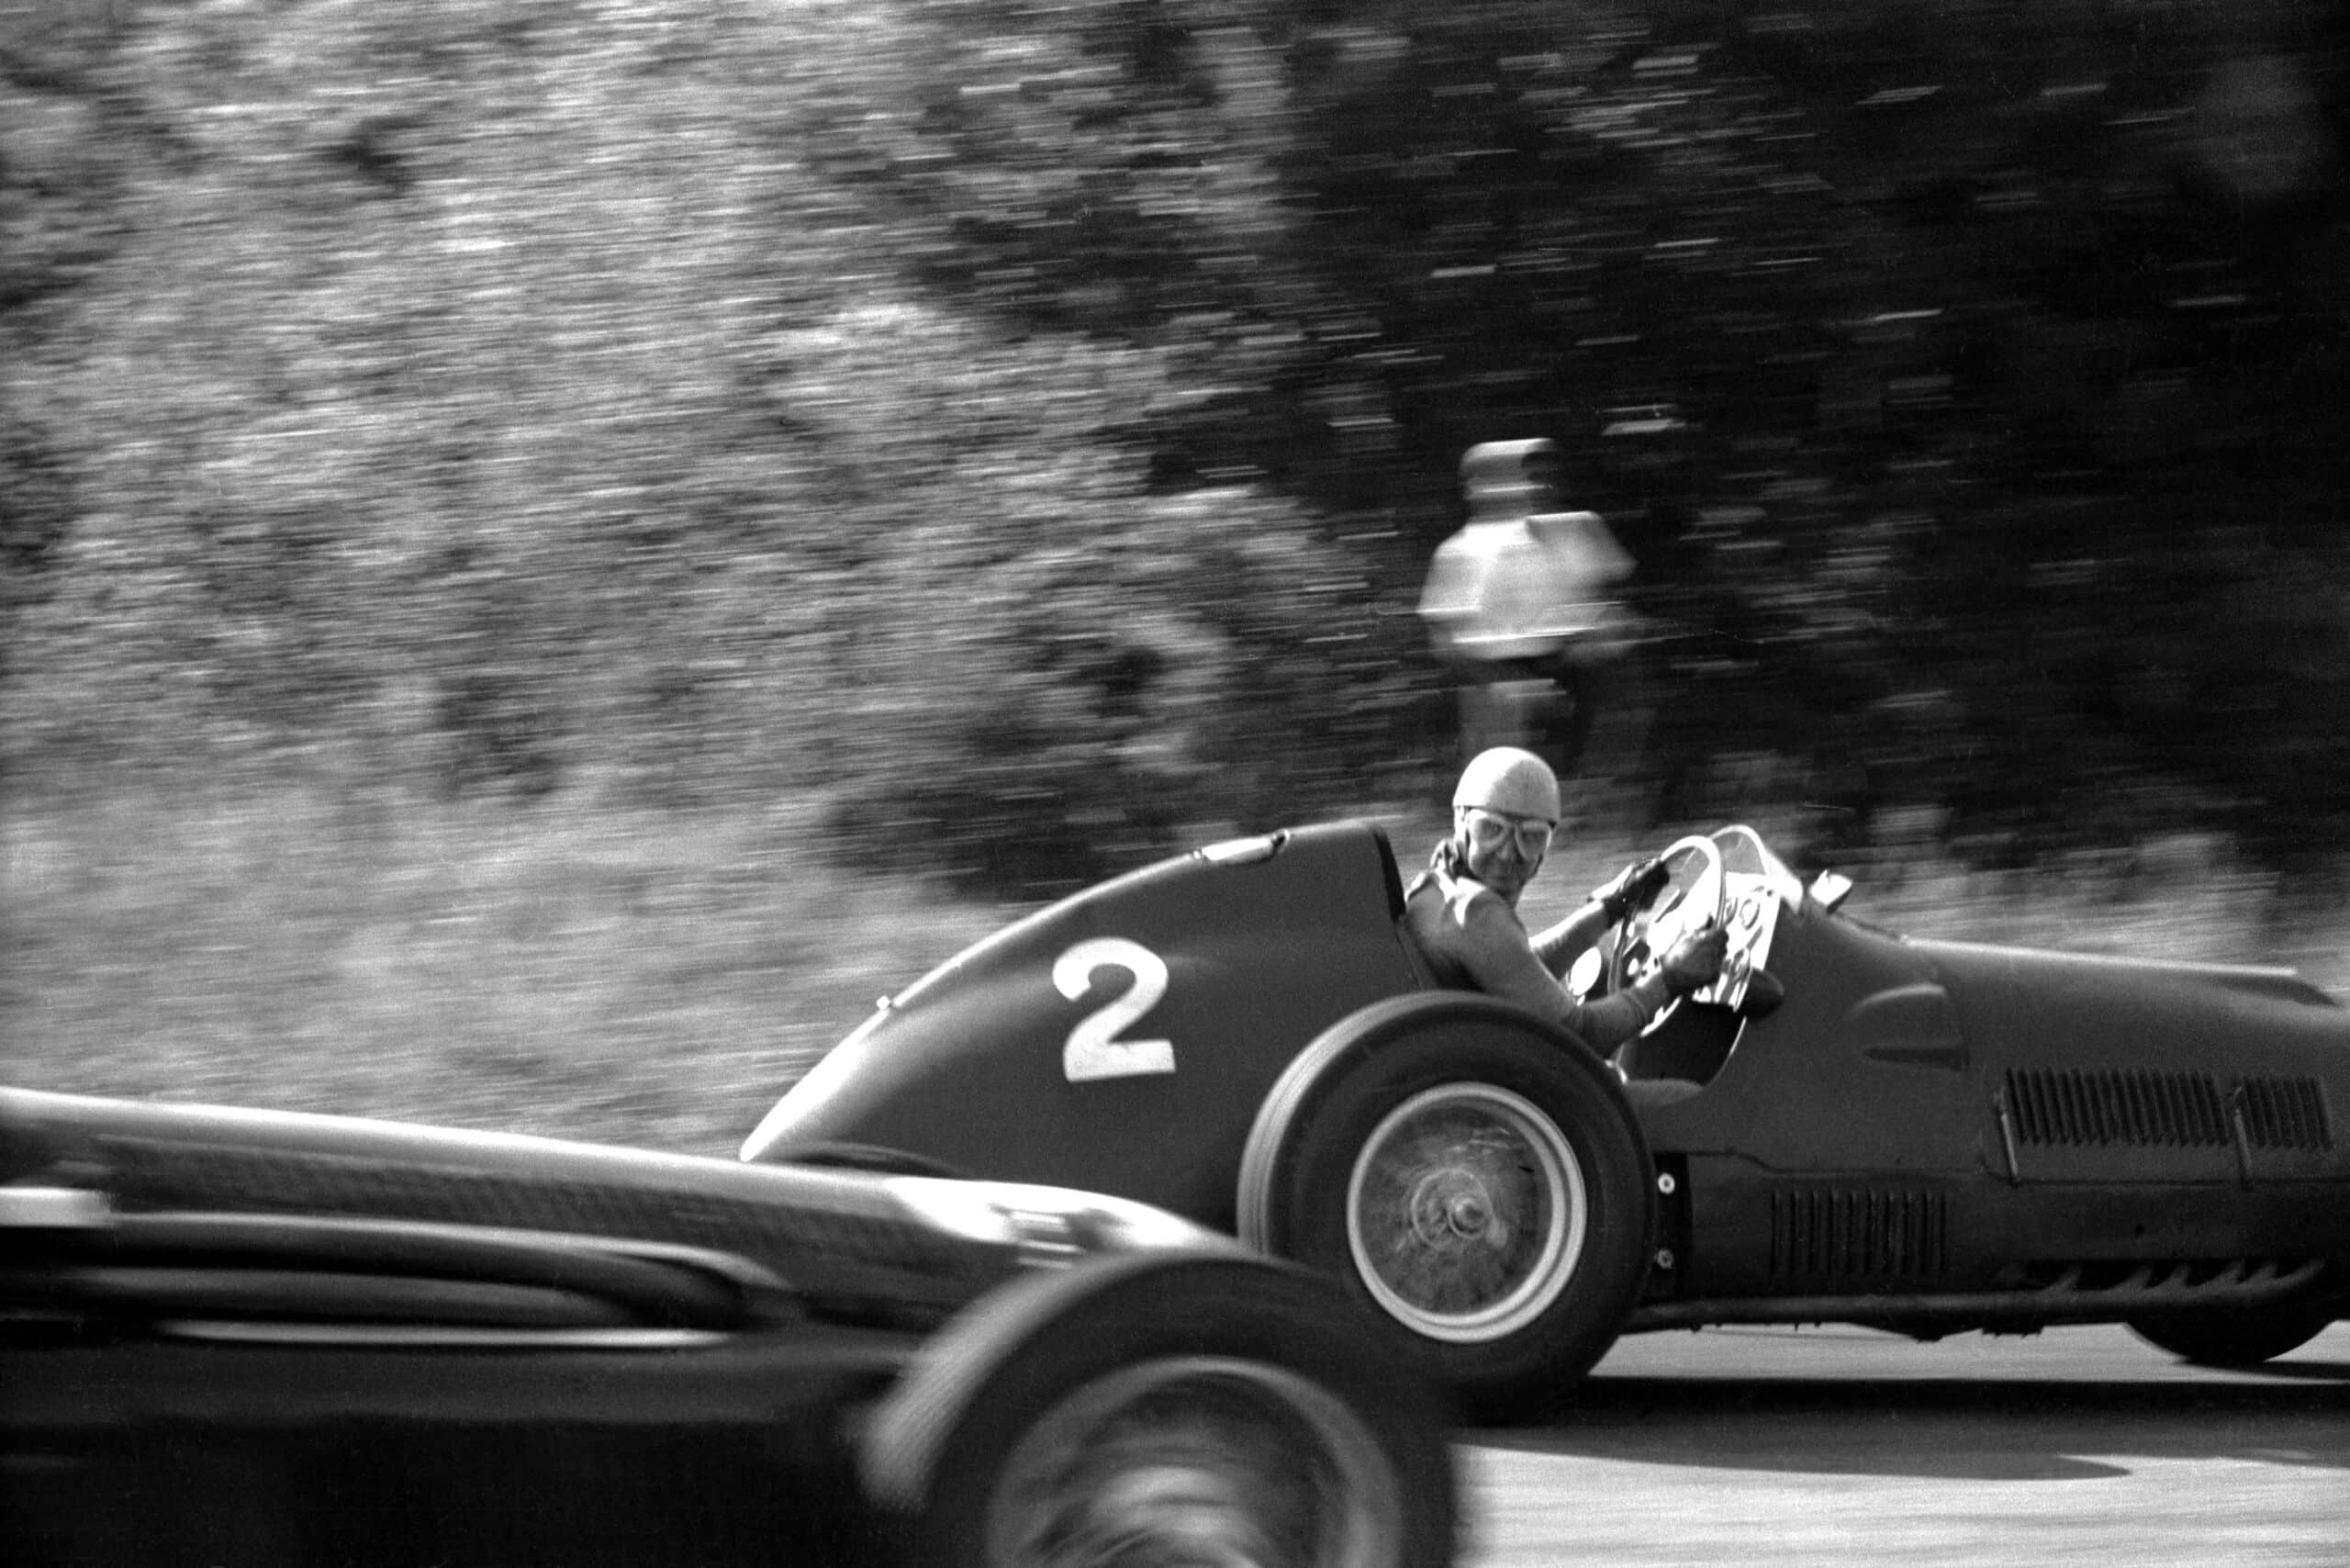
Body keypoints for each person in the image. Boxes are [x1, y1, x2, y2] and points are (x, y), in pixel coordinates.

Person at [1403, 746, 1725, 1053]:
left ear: (1546, 847)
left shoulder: (1438, 888)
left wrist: (1611, 907)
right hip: (1501, 1090)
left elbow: (1516, 967)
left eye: (1531, 837)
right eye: (1491, 829)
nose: (1508, 852)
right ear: (1462, 823)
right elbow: (1578, 1036)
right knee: (1688, 1097)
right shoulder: (1475, 911)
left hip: (1475, 1069)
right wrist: (1669, 979)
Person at [1416, 439, 1637, 775]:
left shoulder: (1577, 530)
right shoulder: (1464, 549)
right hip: (1493, 684)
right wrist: (1510, 682)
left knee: (1566, 778)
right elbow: (1445, 640)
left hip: (1564, 674)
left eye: (1545, 474)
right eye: (1527, 475)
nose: (1538, 485)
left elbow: (1608, 607)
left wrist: (1597, 635)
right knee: (1501, 783)